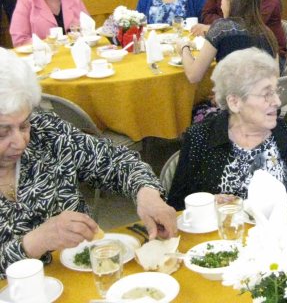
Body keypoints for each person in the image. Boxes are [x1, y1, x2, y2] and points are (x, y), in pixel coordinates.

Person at [0, 48, 177, 277]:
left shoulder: (46, 133)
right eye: (3, 132)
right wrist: (34, 242)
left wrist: (146, 192)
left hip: (86, 278)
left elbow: (115, 161)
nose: (20, 141)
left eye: (24, 125)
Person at [167, 47, 287, 208]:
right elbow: (177, 205)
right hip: (226, 230)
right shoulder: (200, 138)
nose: (277, 101)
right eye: (266, 94)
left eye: (275, 91)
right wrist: (208, 204)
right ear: (235, 102)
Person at [177, 0, 277, 84]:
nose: (221, 5)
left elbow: (193, 76)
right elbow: (276, 77)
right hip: (261, 93)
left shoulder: (222, 29)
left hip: (233, 94)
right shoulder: (268, 33)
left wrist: (184, 47)